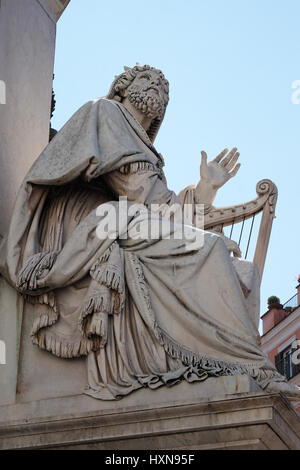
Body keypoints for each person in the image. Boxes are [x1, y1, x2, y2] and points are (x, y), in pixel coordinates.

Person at [1, 64, 299, 400]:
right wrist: (193, 230)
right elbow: (146, 199)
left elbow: (159, 204)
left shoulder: (143, 149)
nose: (158, 86)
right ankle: (249, 364)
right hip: (96, 224)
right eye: (148, 79)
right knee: (212, 250)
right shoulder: (107, 113)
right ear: (123, 87)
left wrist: (205, 189)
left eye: (164, 86)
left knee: (241, 269)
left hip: (124, 218)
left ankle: (230, 361)